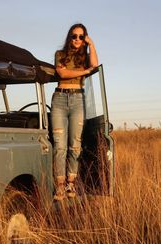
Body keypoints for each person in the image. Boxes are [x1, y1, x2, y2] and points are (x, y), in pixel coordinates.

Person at [51, 23, 98, 200]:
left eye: (80, 36)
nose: (77, 39)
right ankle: (60, 186)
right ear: (69, 37)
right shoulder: (60, 54)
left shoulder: (85, 57)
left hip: (78, 99)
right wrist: (84, 71)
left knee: (75, 144)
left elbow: (95, 64)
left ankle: (71, 184)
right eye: (74, 36)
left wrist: (91, 44)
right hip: (60, 99)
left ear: (84, 38)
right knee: (59, 145)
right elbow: (62, 74)